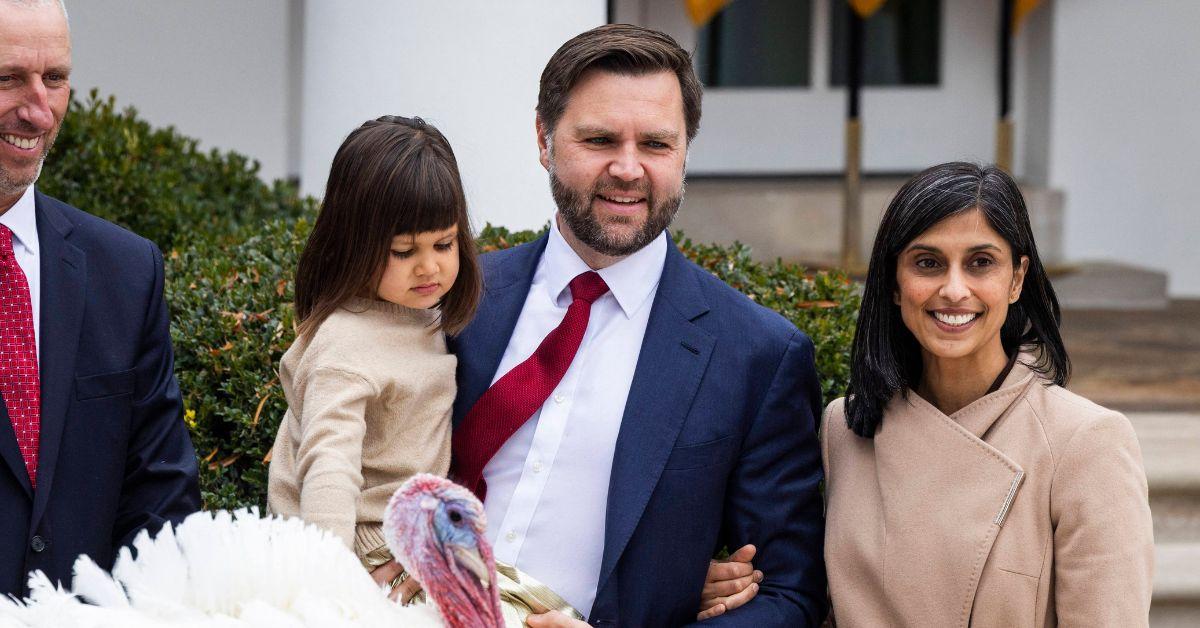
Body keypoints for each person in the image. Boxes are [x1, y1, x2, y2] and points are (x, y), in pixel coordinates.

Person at [448, 24, 827, 626]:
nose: (628, 170)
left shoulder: (757, 356)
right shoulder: (456, 300)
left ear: (685, 152)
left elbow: (790, 597)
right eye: (599, 139)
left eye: (655, 144)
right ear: (543, 139)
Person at [821, 162, 1155, 625]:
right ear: (895, 283)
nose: (954, 289)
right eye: (928, 263)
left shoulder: (1085, 442)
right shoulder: (846, 426)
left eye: (981, 263)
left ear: (1017, 279)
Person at [0, 0, 200, 597]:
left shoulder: (127, 272)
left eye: (55, 78)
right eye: (8, 77)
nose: (38, 109)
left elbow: (161, 499)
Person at [267, 115, 482, 581]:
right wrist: (332, 583)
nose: (430, 268)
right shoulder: (346, 343)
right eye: (404, 252)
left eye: (444, 243)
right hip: (362, 552)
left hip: (414, 540)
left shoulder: (417, 314)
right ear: (355, 244)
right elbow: (330, 464)